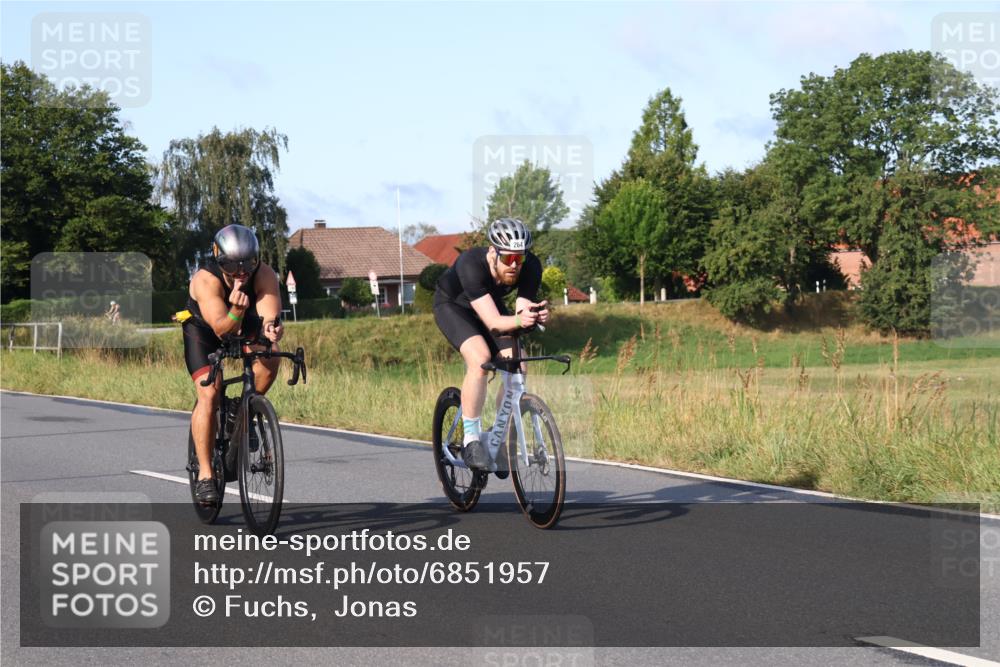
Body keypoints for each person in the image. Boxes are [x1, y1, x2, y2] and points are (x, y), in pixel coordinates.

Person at [432, 218, 550, 472]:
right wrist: (520, 319)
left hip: (491, 306)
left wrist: (533, 317)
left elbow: (521, 311)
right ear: (492, 252)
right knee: (480, 359)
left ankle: (498, 436)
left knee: (518, 364)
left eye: (520, 258)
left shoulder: (530, 267)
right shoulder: (471, 265)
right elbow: (495, 323)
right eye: (508, 259)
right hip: (454, 307)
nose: (515, 266)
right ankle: (471, 439)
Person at [182, 224, 284, 504]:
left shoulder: (264, 275)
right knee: (209, 392)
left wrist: (272, 331)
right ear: (219, 260)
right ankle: (204, 474)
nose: (241, 273)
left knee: (270, 352)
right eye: (232, 266)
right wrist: (237, 310)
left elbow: (268, 321)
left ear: (257, 259)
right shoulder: (205, 280)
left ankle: (243, 411)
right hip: (205, 330)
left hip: (243, 320)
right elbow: (221, 329)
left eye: (247, 265)